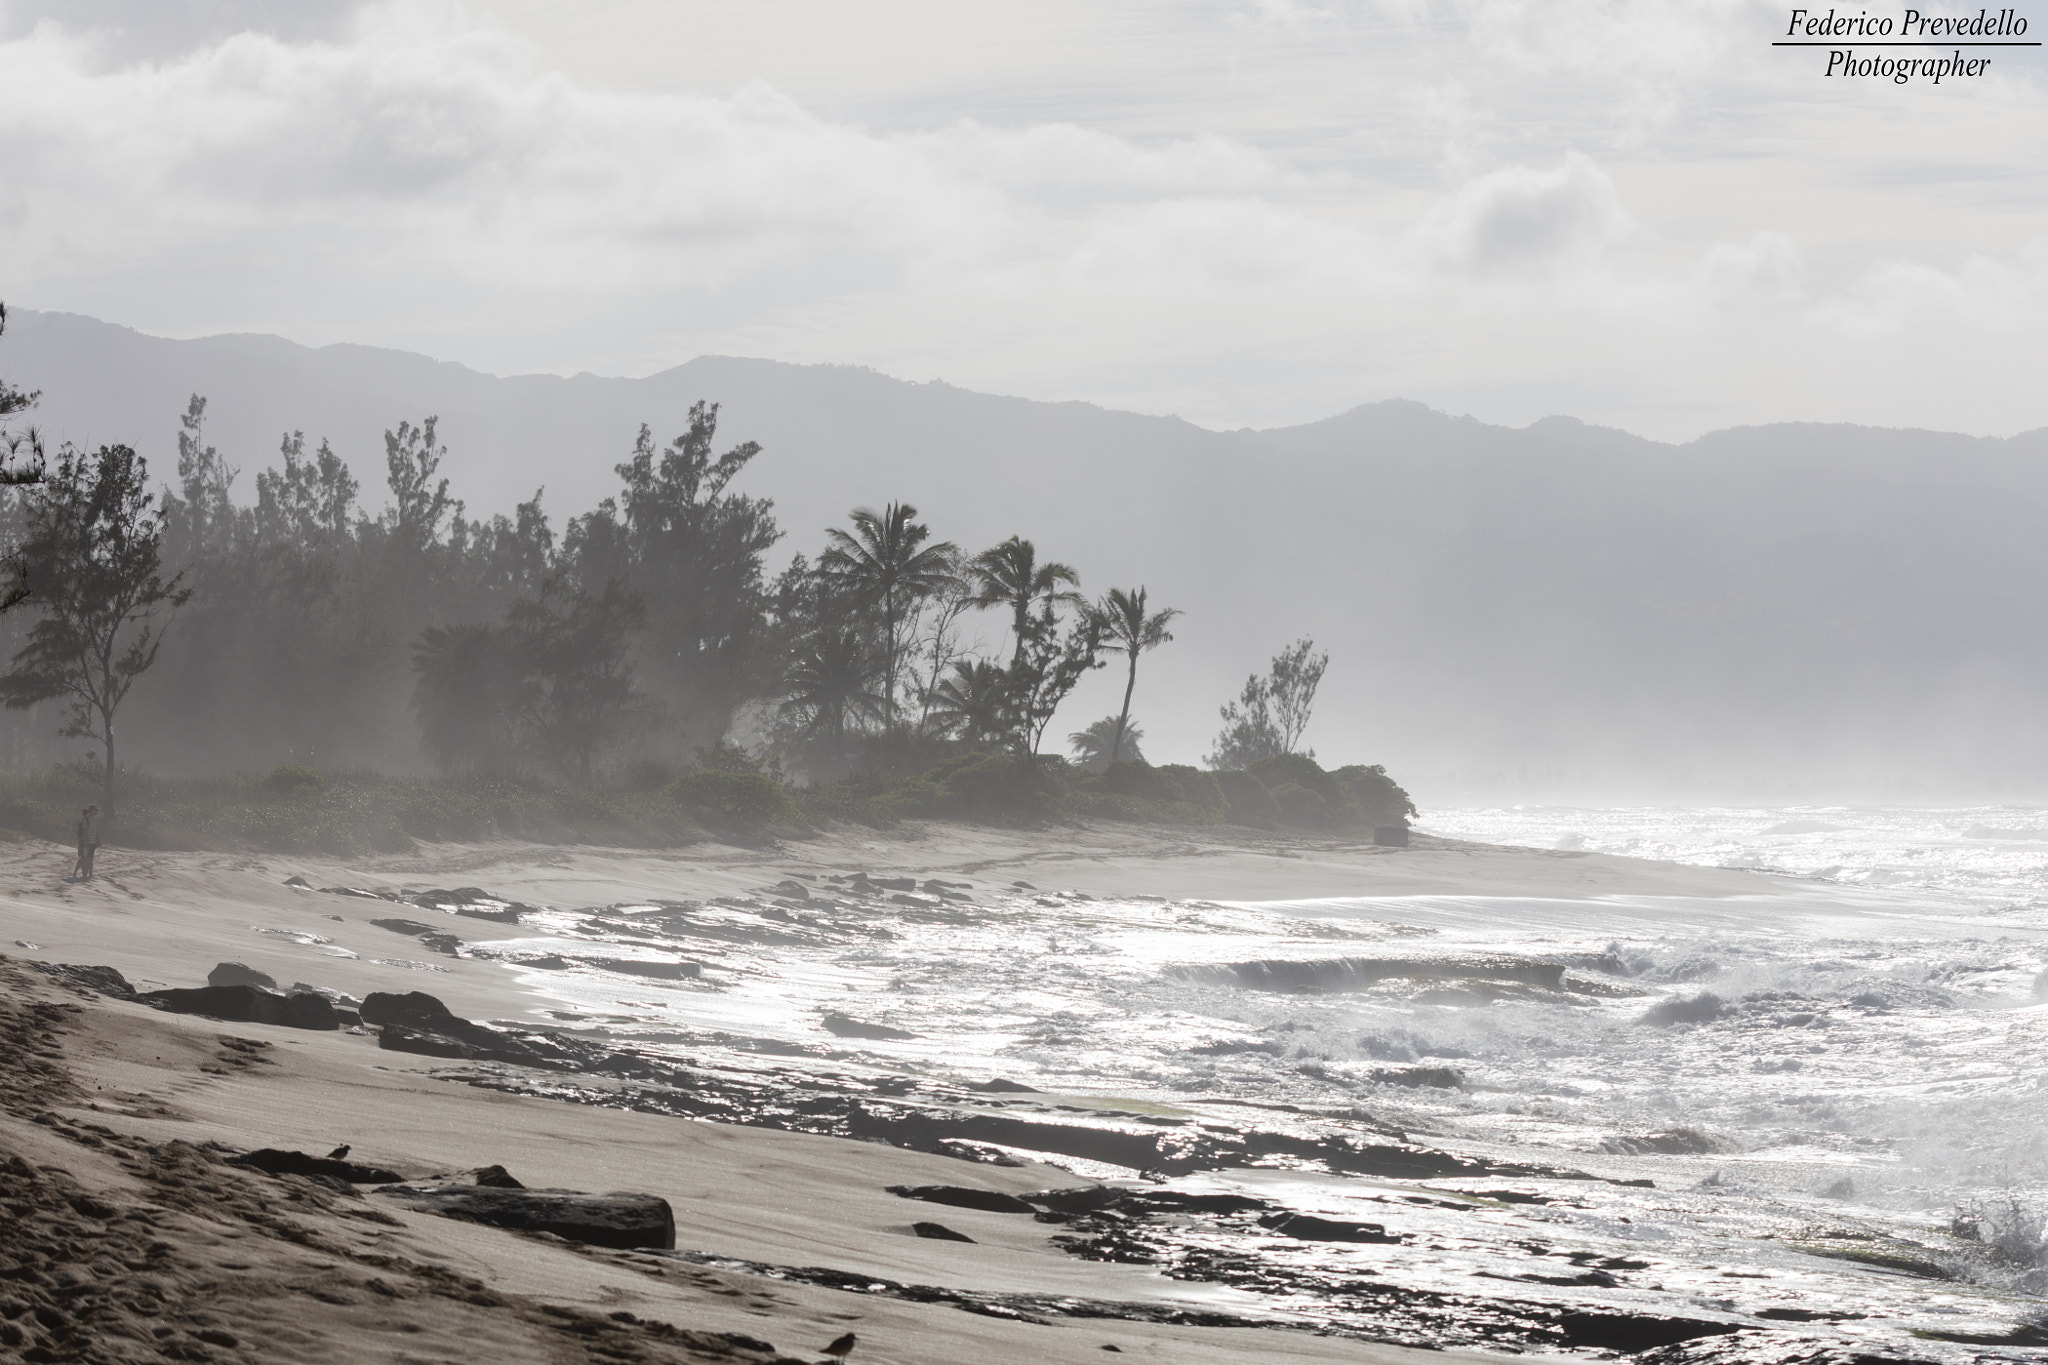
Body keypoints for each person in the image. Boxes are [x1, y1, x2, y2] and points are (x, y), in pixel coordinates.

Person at [73, 804, 99, 881]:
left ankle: (89, 875)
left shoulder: (94, 820)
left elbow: (95, 831)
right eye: (95, 810)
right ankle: (78, 873)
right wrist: (85, 842)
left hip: (92, 842)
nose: (97, 811)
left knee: (90, 859)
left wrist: (97, 841)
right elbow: (84, 831)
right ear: (91, 810)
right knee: (84, 858)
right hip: (86, 842)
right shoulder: (86, 819)